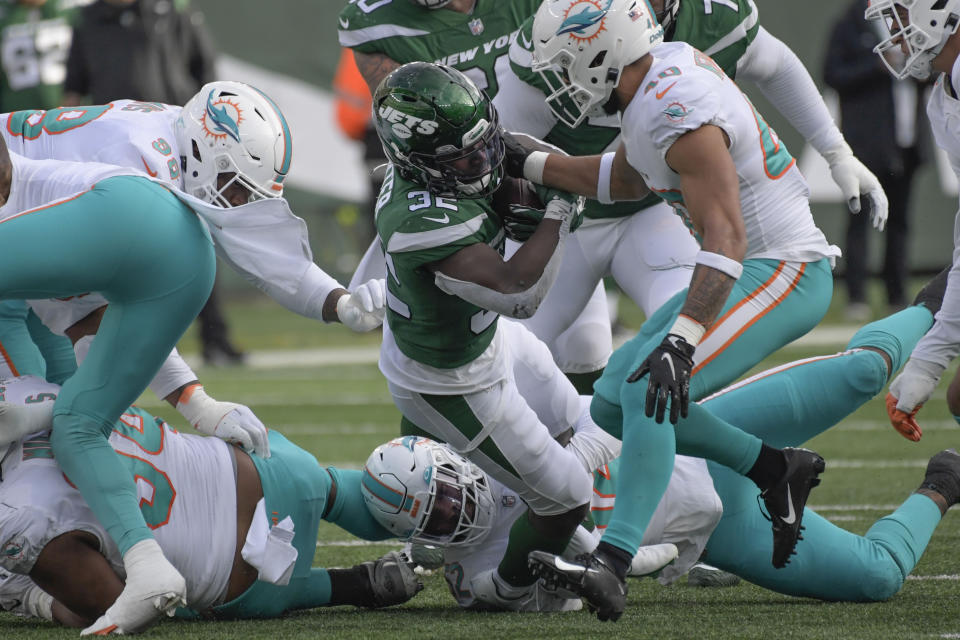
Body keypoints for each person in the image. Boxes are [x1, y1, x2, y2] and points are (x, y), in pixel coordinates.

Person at [0, 81, 385, 634]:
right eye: (232, 184)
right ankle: (118, 564)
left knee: (63, 425)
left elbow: (98, 294)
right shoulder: (138, 153)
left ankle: (119, 560)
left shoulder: (165, 148)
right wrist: (192, 398)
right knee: (59, 423)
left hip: (66, 244)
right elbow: (84, 304)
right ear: (207, 149)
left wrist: (340, 303)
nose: (232, 199)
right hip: (64, 250)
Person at [503, 0, 846, 621]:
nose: (558, 77)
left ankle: (613, 562)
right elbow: (637, 179)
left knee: (647, 392)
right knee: (610, 399)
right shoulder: (655, 81)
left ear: (602, 51)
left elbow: (726, 236)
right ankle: (776, 468)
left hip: (782, 270)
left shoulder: (670, 103)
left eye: (565, 61)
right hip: (747, 263)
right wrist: (534, 162)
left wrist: (681, 341)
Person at [371, 278, 956, 609]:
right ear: (422, 540)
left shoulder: (473, 432)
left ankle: (940, 302)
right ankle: (944, 482)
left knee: (861, 374)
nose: (458, 509)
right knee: (874, 580)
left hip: (699, 434)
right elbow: (555, 599)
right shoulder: (473, 572)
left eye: (447, 492)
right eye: (441, 519)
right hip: (709, 526)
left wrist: (578, 459)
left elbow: (564, 382)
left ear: (446, 455)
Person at [491, 0, 888, 390]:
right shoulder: (575, 30)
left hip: (661, 211)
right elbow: (615, 175)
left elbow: (777, 66)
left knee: (679, 349)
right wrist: (527, 171)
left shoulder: (682, 70)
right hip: (571, 216)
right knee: (510, 355)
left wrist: (837, 151)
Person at [370, 60, 631, 611]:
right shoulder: (424, 220)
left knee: (592, 418)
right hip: (451, 379)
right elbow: (520, 293)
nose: (484, 162)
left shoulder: (435, 162)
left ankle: (533, 512)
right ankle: (504, 589)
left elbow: (513, 143)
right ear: (419, 163)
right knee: (567, 498)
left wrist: (534, 162)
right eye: (465, 158)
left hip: (480, 341)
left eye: (483, 144)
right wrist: (558, 206)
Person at [338, 0, 618, 393]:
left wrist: (543, 180)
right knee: (489, 351)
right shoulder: (375, 21)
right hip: (450, 187)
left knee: (586, 349)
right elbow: (402, 130)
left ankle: (596, 447)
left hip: (526, 157)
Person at [0, 375, 423, 627]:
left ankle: (354, 586)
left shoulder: (17, 515)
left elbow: (109, 607)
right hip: (271, 468)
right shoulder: (24, 390)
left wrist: (29, 597)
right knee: (345, 490)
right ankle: (440, 515)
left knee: (181, 597)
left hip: (241, 577)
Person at [62, 0, 239, 366]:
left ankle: (215, 338)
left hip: (175, 144)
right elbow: (73, 90)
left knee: (197, 237)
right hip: (112, 150)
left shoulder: (173, 10)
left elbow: (207, 76)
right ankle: (119, 345)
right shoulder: (88, 20)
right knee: (118, 250)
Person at [866, 0, 960, 446]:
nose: (898, 38)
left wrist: (930, 358)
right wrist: (928, 360)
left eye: (901, 20)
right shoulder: (944, 93)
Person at [825, 0, 927, 321]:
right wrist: (877, 67)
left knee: (900, 221)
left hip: (906, 140)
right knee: (860, 219)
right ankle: (857, 296)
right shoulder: (851, 22)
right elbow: (832, 73)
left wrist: (914, 64)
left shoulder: (917, 20)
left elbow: (933, 71)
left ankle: (897, 294)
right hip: (867, 143)